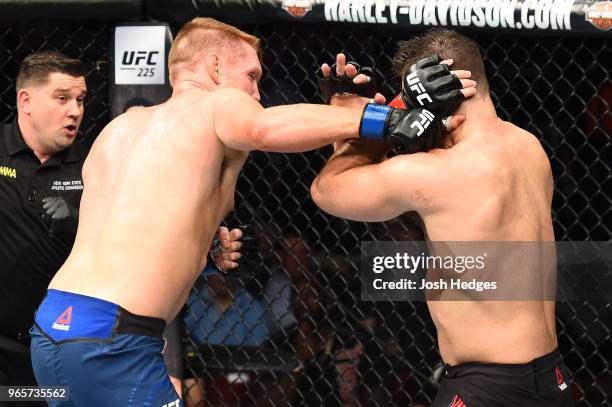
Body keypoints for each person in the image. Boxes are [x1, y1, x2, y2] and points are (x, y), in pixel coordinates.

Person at [29, 18, 470, 406]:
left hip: (53, 326)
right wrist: (386, 118)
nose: (257, 93)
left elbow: (123, 237)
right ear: (215, 68)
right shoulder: (215, 102)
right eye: (252, 75)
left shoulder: (118, 131)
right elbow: (263, 127)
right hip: (114, 340)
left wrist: (201, 256)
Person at [311, 29, 574, 406]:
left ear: (429, 90)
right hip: (550, 377)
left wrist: (374, 119)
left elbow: (328, 191)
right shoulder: (528, 147)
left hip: (486, 387)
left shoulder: (438, 172)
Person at [0, 50, 87, 392]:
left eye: (80, 100)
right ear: (26, 101)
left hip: (66, 346)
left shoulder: (93, 164)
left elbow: (128, 240)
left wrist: (77, 220)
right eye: (62, 98)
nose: (75, 111)